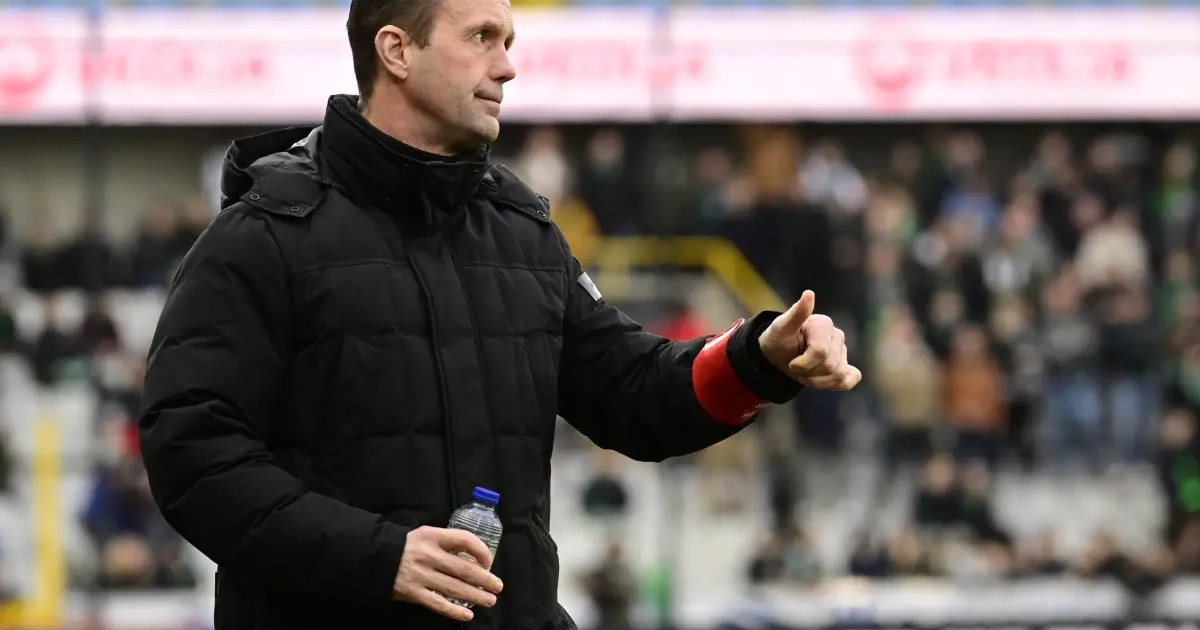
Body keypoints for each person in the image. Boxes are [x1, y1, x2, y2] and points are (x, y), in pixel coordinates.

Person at [136, 0, 861, 629]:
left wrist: (755, 360)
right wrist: (379, 557)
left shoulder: (522, 232)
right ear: (396, 51)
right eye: (482, 37)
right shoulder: (264, 236)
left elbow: (630, 391)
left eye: (508, 41)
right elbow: (192, 455)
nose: (508, 67)